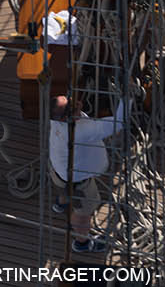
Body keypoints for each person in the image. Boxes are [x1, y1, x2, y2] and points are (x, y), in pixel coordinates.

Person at [48, 94, 125, 255]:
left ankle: (61, 203)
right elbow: (119, 122)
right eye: (72, 104)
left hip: (57, 170)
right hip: (78, 183)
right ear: (69, 116)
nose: (74, 99)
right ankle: (81, 242)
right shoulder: (81, 131)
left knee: (63, 187)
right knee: (83, 213)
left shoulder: (55, 120)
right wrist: (128, 98)